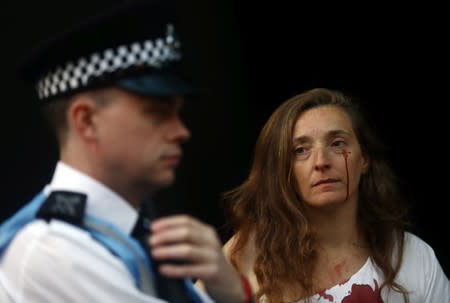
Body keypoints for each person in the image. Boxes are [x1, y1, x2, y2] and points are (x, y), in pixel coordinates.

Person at [0, 1, 253, 302]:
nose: (181, 130)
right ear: (86, 120)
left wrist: (232, 292)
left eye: (178, 112)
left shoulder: (133, 233)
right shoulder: (53, 249)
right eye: (157, 113)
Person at [220, 88, 450, 302]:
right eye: (301, 150)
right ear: (283, 170)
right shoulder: (249, 252)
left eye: (337, 144)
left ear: (365, 159)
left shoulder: (411, 256)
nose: (321, 162)